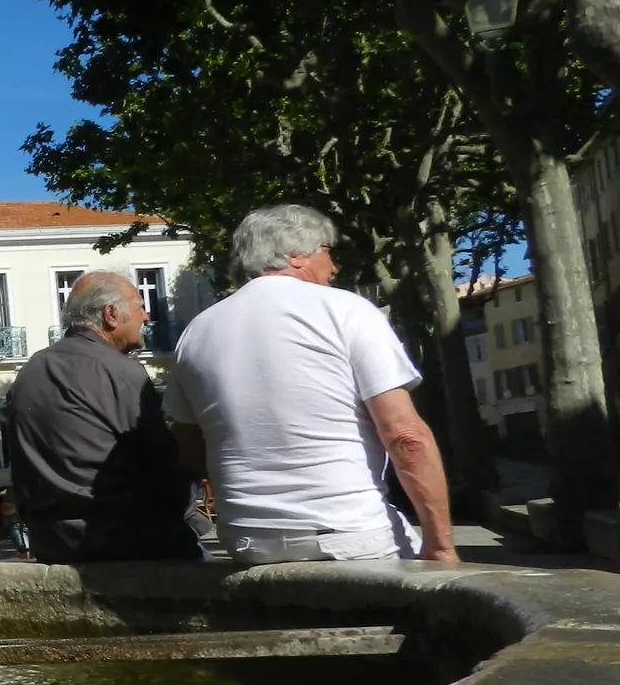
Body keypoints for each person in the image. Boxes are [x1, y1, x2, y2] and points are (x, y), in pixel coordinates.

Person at [165, 204, 457, 565]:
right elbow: (406, 437)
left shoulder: (195, 332)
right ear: (296, 255)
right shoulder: (347, 310)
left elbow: (189, 452)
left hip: (248, 540)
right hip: (350, 534)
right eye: (327, 251)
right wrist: (441, 546)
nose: (333, 267)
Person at [9, 272, 203, 563]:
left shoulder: (30, 371)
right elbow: (164, 469)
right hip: (123, 538)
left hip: (51, 540)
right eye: (139, 306)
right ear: (111, 314)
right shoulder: (122, 372)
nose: (146, 317)